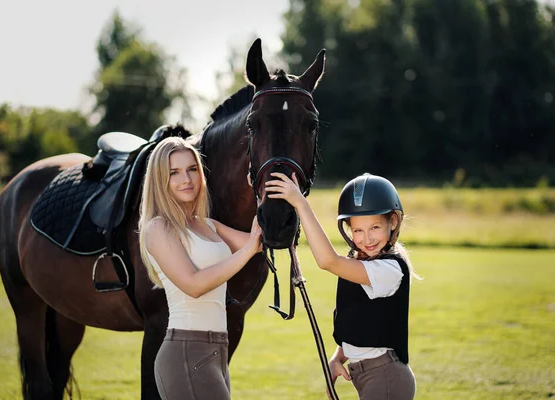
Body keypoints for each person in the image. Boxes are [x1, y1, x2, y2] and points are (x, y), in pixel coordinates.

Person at [265, 172, 418, 400]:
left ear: (392, 222)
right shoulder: (362, 262)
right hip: (370, 375)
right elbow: (361, 322)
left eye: (375, 227)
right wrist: (338, 358)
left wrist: (301, 204)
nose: (367, 239)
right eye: (358, 230)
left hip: (386, 377)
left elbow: (328, 261)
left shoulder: (389, 270)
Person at [138, 136, 262, 400]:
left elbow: (262, 241)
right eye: (175, 172)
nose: (187, 179)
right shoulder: (159, 228)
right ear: (160, 180)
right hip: (186, 352)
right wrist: (247, 250)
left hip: (217, 351)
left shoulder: (208, 225)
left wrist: (261, 192)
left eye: (192, 169)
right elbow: (194, 284)